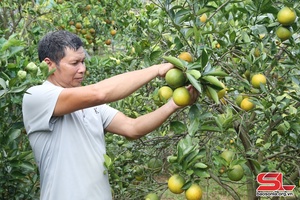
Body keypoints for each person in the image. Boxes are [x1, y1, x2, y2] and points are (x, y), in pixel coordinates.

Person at [22, 30, 198, 200]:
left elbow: (133, 128)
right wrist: (156, 70)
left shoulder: (92, 106)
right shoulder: (37, 97)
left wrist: (174, 104)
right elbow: (99, 93)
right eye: (75, 63)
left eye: (83, 62)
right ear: (49, 64)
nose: (82, 69)